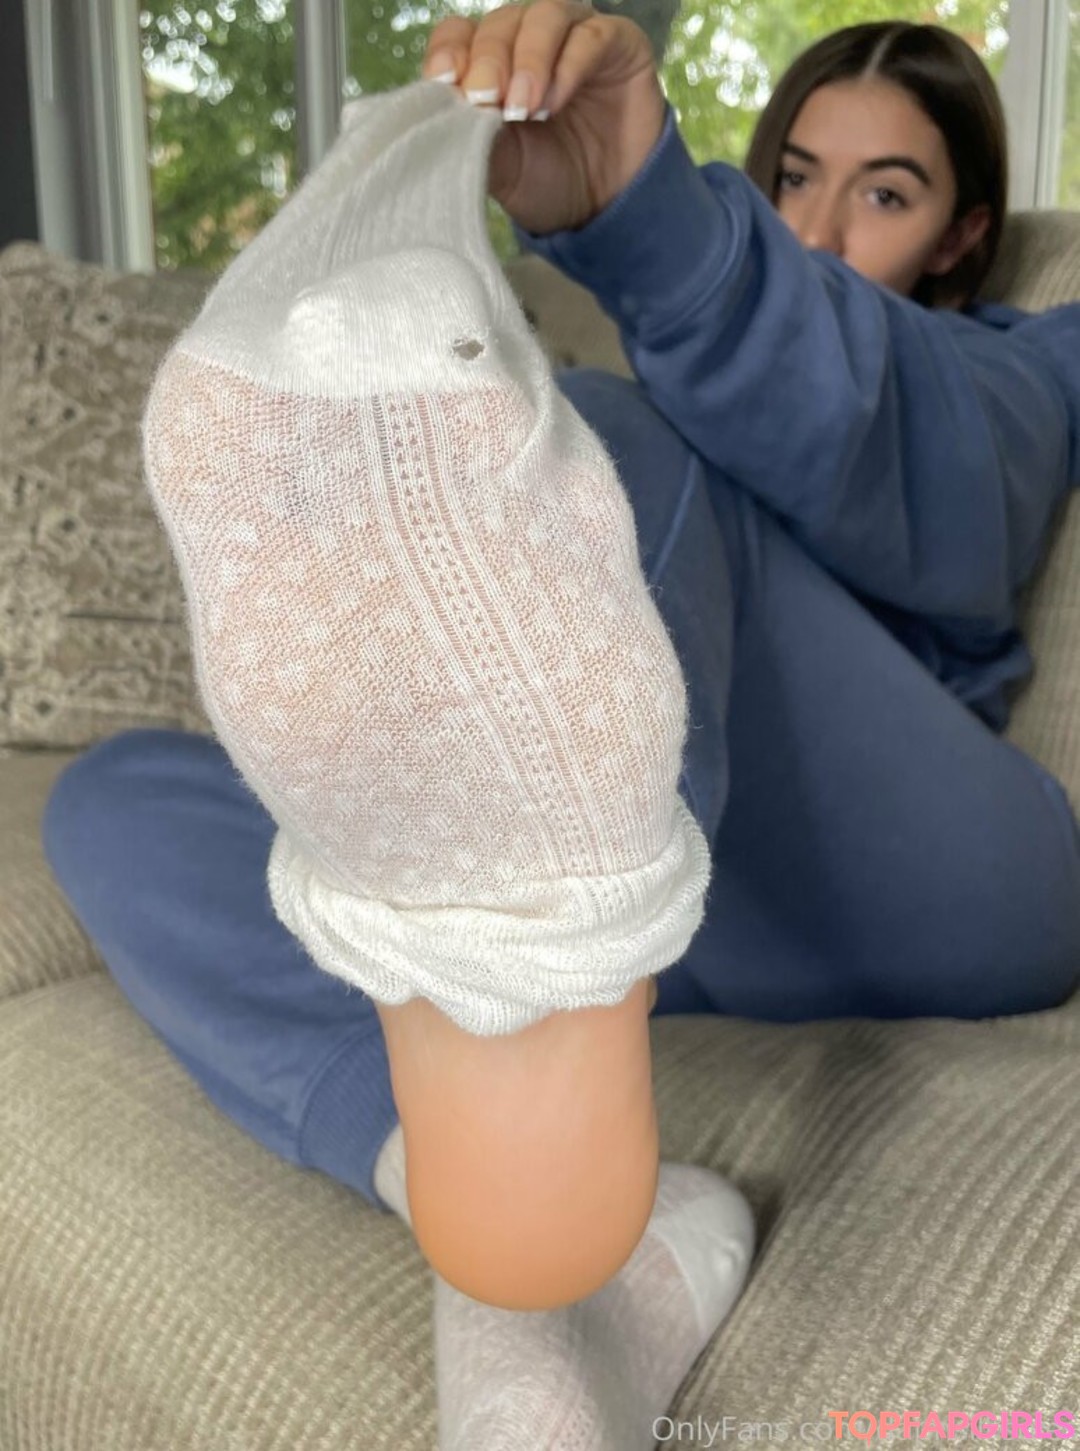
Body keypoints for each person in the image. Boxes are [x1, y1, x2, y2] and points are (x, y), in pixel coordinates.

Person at [41, 5, 1080, 1446]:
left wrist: (655, 218)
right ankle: (511, 1207)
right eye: (794, 178)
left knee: (599, 446)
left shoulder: (1021, 362)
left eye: (886, 192)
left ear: (965, 233)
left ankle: (534, 1020)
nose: (821, 226)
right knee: (114, 802)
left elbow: (938, 466)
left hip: (938, 879)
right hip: (675, 912)